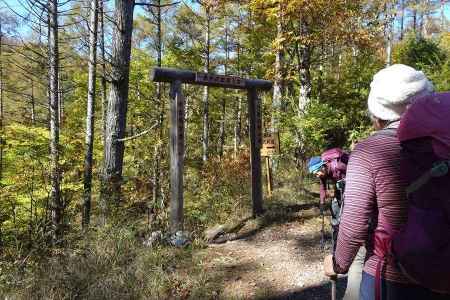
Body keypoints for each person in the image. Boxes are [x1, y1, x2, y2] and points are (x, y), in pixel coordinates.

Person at [323, 64, 448, 300]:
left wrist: (337, 264)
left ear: (377, 113)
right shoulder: (445, 142)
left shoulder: (370, 149)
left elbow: (354, 225)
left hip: (392, 278)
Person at [309, 151, 365, 300]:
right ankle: (337, 245)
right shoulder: (323, 172)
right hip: (340, 190)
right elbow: (322, 187)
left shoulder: (338, 165)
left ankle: (348, 241)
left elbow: (355, 172)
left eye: (316, 172)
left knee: (345, 217)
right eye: (314, 173)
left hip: (351, 188)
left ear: (322, 166)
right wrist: (321, 204)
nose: (317, 175)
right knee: (335, 213)